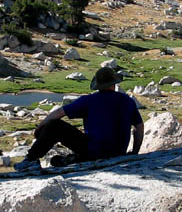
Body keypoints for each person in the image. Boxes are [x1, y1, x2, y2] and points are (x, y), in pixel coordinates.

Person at [15, 67, 143, 171]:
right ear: (114, 84)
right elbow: (139, 126)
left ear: (97, 85)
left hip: (93, 151)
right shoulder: (128, 101)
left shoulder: (89, 100)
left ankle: (30, 160)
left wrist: (40, 128)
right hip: (117, 152)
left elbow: (59, 113)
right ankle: (74, 159)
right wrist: (134, 152)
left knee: (55, 126)